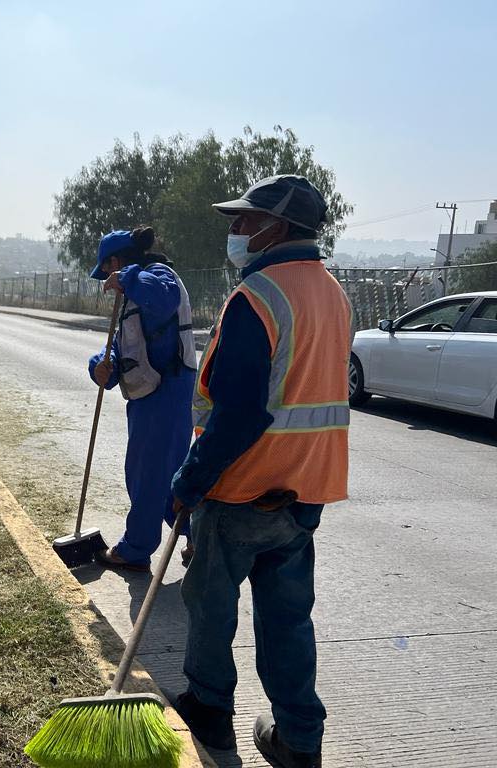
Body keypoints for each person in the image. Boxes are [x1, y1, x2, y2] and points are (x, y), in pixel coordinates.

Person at [170, 175, 352, 768]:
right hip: (304, 494)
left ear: (277, 227)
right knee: (288, 621)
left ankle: (211, 711)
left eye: (245, 221)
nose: (235, 230)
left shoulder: (258, 297)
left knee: (211, 607)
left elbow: (240, 412)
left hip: (239, 490)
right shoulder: (334, 293)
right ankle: (300, 739)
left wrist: (190, 480)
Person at [86, 227, 197, 572]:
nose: (105, 277)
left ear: (117, 261)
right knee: (173, 475)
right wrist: (102, 366)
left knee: (147, 472)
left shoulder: (156, 276)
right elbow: (123, 346)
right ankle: (200, 539)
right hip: (151, 395)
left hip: (168, 390)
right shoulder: (132, 295)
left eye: (106, 269)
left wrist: (126, 278)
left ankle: (135, 549)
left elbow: (165, 300)